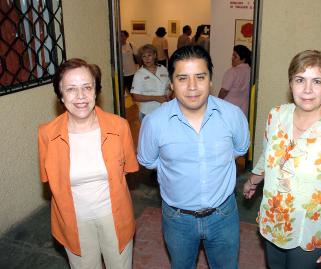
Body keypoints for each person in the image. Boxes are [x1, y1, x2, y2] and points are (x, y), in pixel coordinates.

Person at [243, 50, 321, 268]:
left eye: (316, 81)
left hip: (310, 231)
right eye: (300, 80)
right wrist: (253, 180)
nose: (307, 90)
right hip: (273, 219)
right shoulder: (276, 115)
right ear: (291, 84)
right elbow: (266, 154)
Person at [138, 45, 250, 269]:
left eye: (200, 77)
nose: (192, 87)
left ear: (210, 80)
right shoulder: (154, 123)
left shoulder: (233, 116)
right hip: (177, 219)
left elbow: (239, 149)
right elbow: (149, 161)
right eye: (182, 78)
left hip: (223, 215)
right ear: (171, 83)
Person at [38, 58, 139, 268]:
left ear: (96, 91)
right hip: (73, 221)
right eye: (71, 89)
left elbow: (127, 171)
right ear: (61, 95)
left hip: (115, 216)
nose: (81, 96)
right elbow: (51, 181)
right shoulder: (47, 134)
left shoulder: (119, 127)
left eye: (87, 87)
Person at [130, 44, 170, 121]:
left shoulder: (163, 69)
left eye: (149, 55)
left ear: (155, 55)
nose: (147, 59)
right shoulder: (139, 74)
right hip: (147, 113)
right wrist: (155, 98)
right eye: (144, 56)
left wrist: (169, 93)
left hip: (164, 111)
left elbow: (169, 86)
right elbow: (135, 96)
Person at [218, 45, 251, 117]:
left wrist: (217, 102)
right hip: (243, 112)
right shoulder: (251, 71)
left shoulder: (232, 72)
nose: (232, 58)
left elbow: (224, 91)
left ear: (243, 59)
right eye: (232, 55)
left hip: (229, 111)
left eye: (235, 56)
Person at [121, 30, 138, 95]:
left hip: (132, 72)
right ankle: (122, 105)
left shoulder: (131, 45)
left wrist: (141, 66)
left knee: (133, 92)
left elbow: (137, 56)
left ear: (126, 36)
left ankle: (134, 104)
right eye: (119, 36)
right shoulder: (116, 47)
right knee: (121, 93)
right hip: (121, 74)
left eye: (123, 36)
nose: (121, 38)